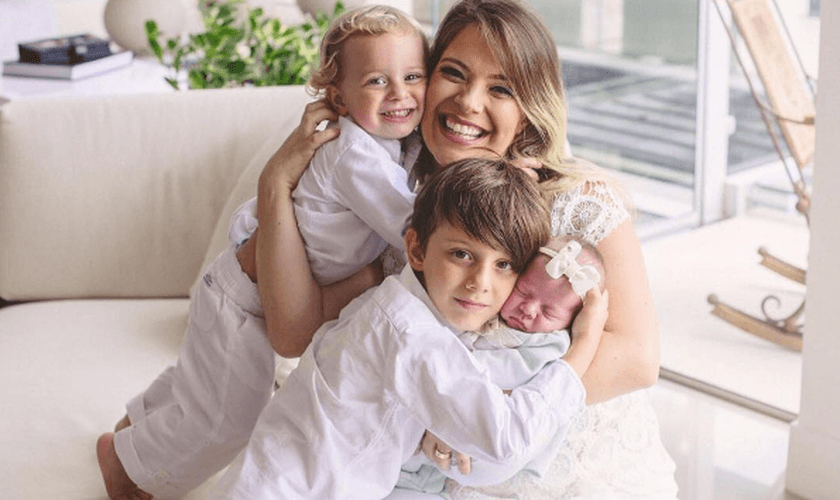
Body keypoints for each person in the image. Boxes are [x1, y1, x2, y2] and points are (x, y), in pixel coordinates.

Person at [244, 0, 679, 497]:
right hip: (433, 472)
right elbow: (294, 332)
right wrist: (275, 182)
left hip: (557, 464)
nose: (470, 102)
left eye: (501, 88)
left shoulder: (573, 199)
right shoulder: (393, 195)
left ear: (529, 108)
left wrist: (476, 411)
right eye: (452, 74)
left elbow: (638, 358)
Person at [96, 5, 429, 500]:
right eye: (377, 81)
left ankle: (138, 421)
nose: (400, 94)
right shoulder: (352, 152)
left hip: (242, 286)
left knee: (205, 379)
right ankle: (127, 470)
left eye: (413, 76)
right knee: (227, 421)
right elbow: (411, 225)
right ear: (337, 97)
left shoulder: (392, 143)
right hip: (246, 300)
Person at [210, 158, 608, 500]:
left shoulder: (399, 310)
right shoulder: (408, 333)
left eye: (504, 265)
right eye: (462, 254)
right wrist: (584, 345)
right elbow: (505, 441)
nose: (480, 283)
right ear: (416, 249)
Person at [396, 234, 608, 495]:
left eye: (549, 311)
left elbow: (508, 370)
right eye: (523, 292)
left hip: (495, 442)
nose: (529, 309)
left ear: (572, 320)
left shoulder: (549, 344)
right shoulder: (490, 310)